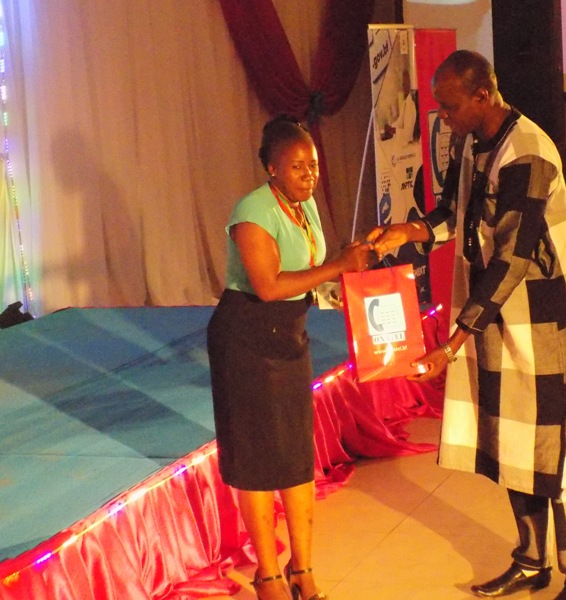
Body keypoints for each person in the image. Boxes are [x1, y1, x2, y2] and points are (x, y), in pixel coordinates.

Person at [368, 50, 566, 600]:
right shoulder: (471, 141)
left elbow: (512, 259)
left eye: (451, 107)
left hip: (544, 321)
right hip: (497, 319)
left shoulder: (528, 153)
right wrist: (406, 232)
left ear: (483, 95)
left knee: (561, 449)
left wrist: (453, 343)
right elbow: (452, 213)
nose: (444, 118)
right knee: (512, 442)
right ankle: (531, 560)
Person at [207, 115, 372, 600]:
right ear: (272, 168)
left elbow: (311, 268)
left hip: (289, 336)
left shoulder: (304, 205)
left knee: (297, 457)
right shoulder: (252, 212)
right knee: (258, 459)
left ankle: (302, 568)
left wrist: (351, 259)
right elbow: (268, 285)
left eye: (313, 165)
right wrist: (336, 267)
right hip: (246, 339)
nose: (309, 175)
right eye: (297, 166)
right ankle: (268, 575)